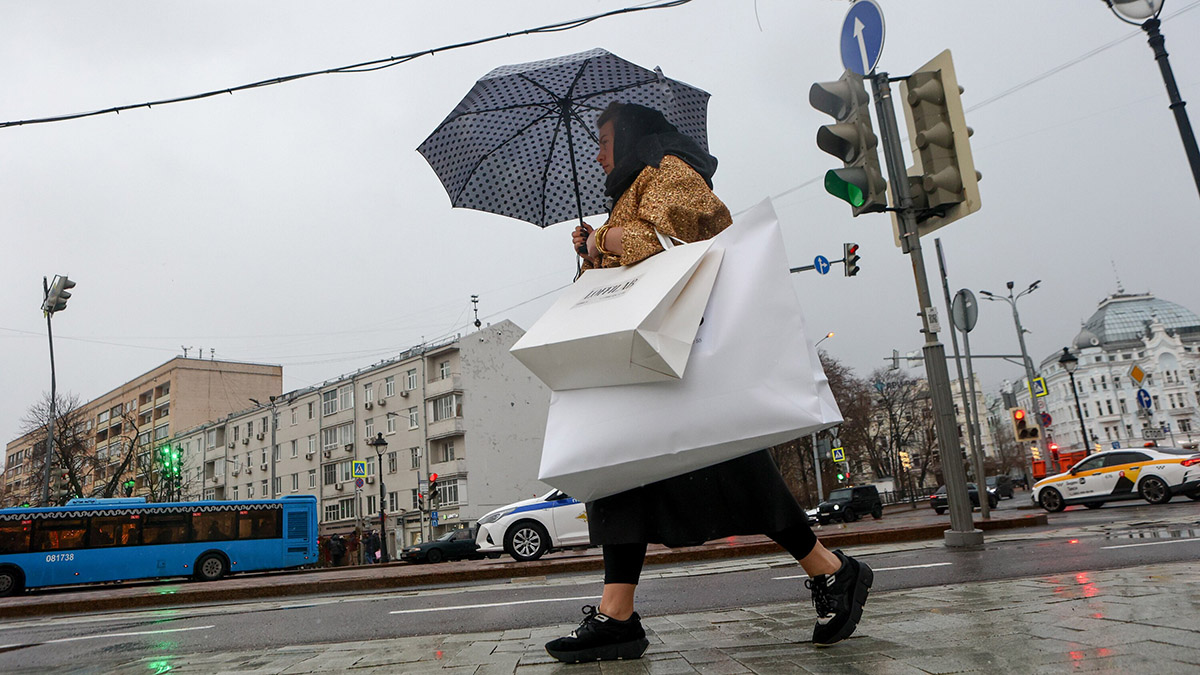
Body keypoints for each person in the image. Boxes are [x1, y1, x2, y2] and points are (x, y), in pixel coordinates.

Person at [544, 102, 873, 664]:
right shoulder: (631, 188)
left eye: (603, 139)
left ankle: (833, 570)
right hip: (642, 360)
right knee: (619, 471)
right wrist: (594, 247)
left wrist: (604, 243)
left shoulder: (668, 168)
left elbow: (669, 250)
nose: (598, 153)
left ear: (630, 135)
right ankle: (617, 615)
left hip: (682, 356)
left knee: (728, 465)